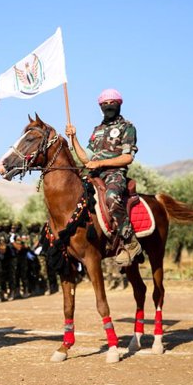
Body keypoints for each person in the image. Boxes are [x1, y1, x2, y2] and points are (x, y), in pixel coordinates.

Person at [65, 88, 141, 266]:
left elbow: (127, 157)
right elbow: (86, 158)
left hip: (114, 174)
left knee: (111, 197)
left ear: (119, 104)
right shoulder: (97, 130)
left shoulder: (127, 127)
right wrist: (74, 138)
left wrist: (100, 164)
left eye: (112, 103)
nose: (108, 106)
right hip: (94, 174)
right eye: (104, 104)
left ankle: (130, 241)